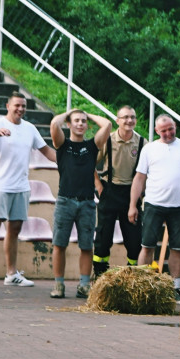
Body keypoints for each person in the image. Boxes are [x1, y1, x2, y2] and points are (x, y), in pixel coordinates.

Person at [0, 93, 57, 288]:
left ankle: (11, 274)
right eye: (17, 105)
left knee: (14, 229)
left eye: (23, 106)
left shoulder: (30, 128)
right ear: (8, 105)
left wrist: (69, 162)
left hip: (21, 186)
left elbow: (47, 151)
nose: (20, 109)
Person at [128, 115, 180, 306]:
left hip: (179, 205)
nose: (168, 133)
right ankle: (143, 287)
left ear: (175, 127)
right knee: (147, 246)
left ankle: (175, 288)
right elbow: (139, 178)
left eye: (171, 129)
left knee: (177, 248)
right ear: (156, 131)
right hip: (154, 204)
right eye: (163, 131)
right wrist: (133, 205)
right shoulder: (149, 148)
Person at [49, 109, 112, 299]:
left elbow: (107, 124)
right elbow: (54, 124)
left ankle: (84, 285)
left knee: (86, 246)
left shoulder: (92, 146)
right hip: (65, 201)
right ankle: (58, 285)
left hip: (87, 203)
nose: (80, 124)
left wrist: (88, 114)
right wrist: (69, 113)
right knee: (59, 244)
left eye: (83, 121)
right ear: (68, 124)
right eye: (76, 121)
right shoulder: (62, 144)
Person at [93, 105, 143, 277]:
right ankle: (100, 275)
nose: (129, 120)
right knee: (103, 237)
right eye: (125, 117)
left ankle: (133, 276)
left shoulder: (142, 143)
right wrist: (99, 186)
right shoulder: (108, 140)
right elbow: (90, 163)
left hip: (132, 194)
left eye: (132, 117)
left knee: (134, 239)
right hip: (110, 190)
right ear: (117, 121)